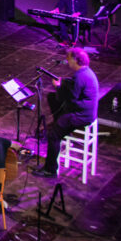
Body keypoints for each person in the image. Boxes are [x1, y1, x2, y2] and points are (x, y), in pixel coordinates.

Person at [33, 47, 98, 178]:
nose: (68, 62)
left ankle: (50, 169)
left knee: (53, 135)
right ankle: (60, 123)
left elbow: (70, 99)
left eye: (69, 59)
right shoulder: (86, 72)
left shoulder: (79, 76)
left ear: (75, 60)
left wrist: (58, 87)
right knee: (52, 97)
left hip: (80, 115)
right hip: (85, 111)